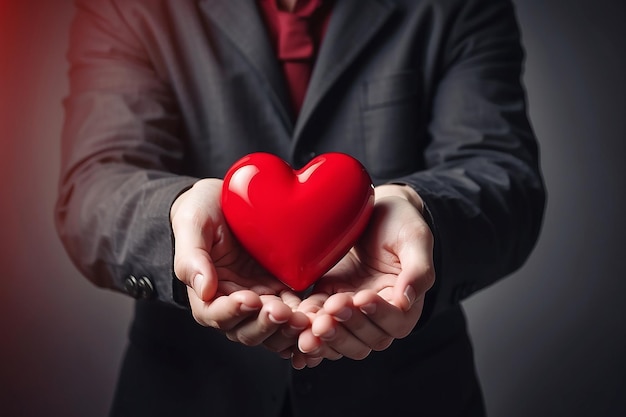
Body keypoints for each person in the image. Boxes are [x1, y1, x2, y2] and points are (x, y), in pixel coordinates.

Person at [54, 0, 546, 416]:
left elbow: (503, 176)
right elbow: (95, 185)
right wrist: (181, 213)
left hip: (409, 393)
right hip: (188, 393)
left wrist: (417, 210)